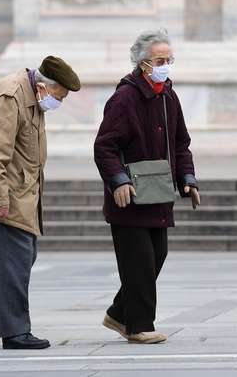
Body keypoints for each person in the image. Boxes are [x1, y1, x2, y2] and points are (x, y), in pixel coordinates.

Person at [0, 56, 81, 349]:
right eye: (59, 97)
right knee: (15, 262)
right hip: (4, 196)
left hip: (21, 194)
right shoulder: (11, 96)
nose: (57, 103)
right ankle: (15, 332)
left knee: (19, 259)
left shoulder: (31, 94)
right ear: (46, 87)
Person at [94, 29, 200, 344]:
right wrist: (118, 181)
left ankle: (118, 313)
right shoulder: (125, 97)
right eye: (159, 60)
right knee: (138, 261)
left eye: (169, 59)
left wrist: (188, 179)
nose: (165, 65)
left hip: (159, 193)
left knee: (157, 255)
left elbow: (181, 144)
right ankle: (138, 325)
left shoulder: (168, 95)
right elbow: (105, 147)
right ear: (143, 64)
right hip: (130, 195)